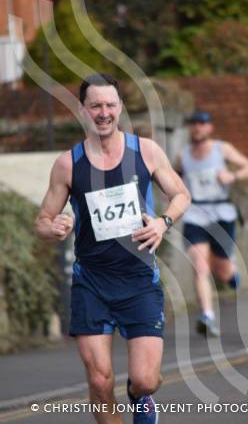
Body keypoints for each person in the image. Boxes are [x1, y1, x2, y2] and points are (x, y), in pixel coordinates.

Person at [35, 73, 190, 424]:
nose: (103, 112)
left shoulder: (145, 150)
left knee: (146, 380)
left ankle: (140, 397)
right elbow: (42, 219)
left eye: (109, 105)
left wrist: (163, 222)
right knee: (100, 381)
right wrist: (53, 226)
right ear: (82, 110)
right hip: (92, 283)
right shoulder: (67, 164)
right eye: (95, 106)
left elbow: (181, 194)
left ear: (119, 107)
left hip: (139, 280)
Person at [175, 110, 248, 338]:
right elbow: (173, 178)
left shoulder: (223, 149)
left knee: (222, 272)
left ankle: (231, 273)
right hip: (195, 215)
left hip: (222, 214)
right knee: (200, 266)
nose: (197, 128)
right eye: (193, 124)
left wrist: (233, 176)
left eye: (201, 124)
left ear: (209, 127)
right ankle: (207, 316)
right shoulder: (183, 155)